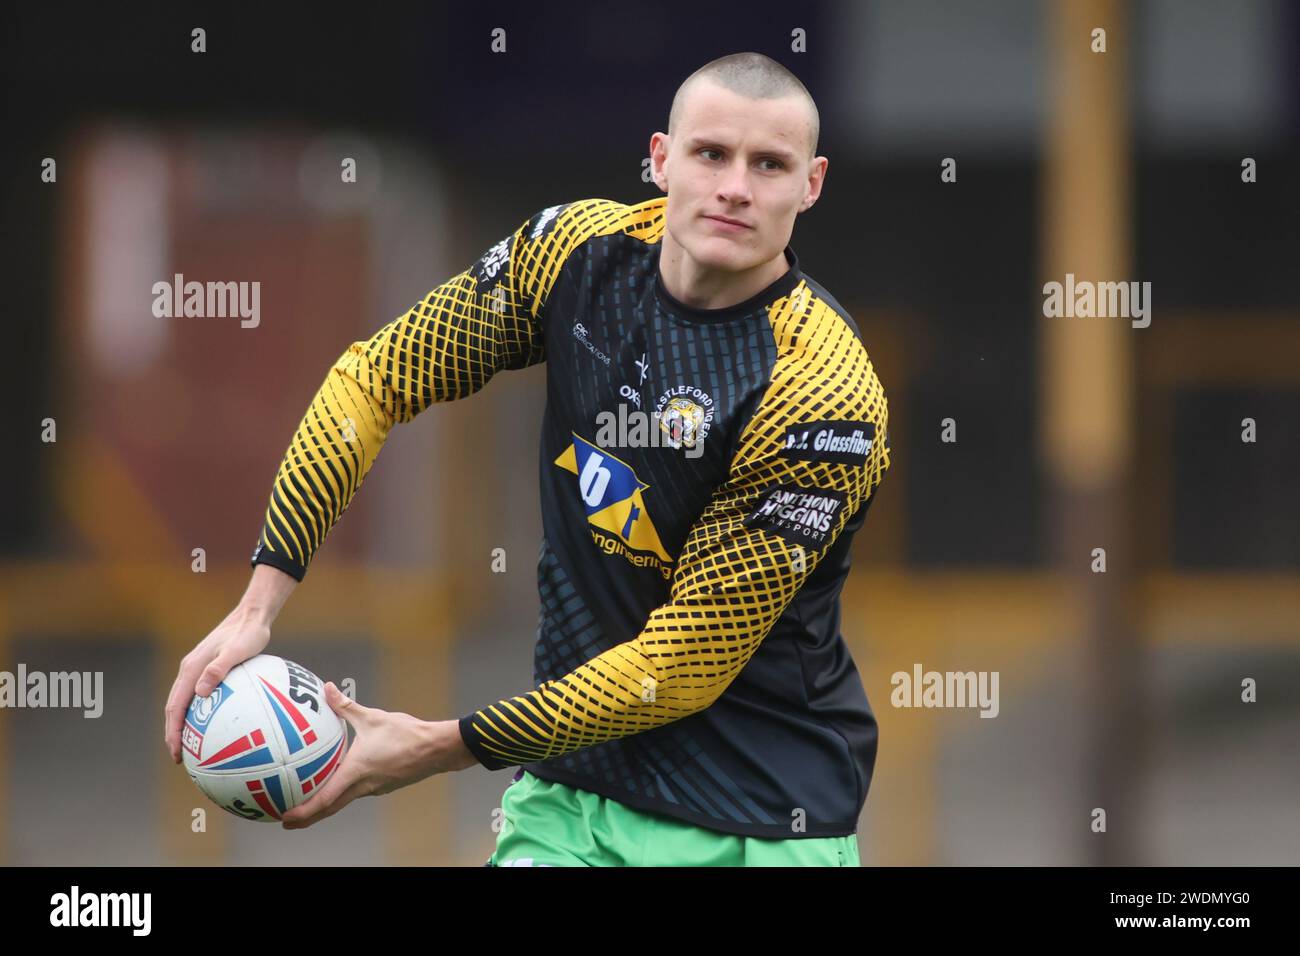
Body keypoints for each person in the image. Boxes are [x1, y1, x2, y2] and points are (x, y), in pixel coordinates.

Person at [164, 51, 891, 867]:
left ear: (812, 184)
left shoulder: (822, 391)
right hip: (570, 797)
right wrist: (260, 604)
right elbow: (372, 382)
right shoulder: (575, 256)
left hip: (757, 813)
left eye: (770, 165)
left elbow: (682, 667)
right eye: (711, 154)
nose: (735, 187)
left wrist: (441, 745)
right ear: (659, 159)